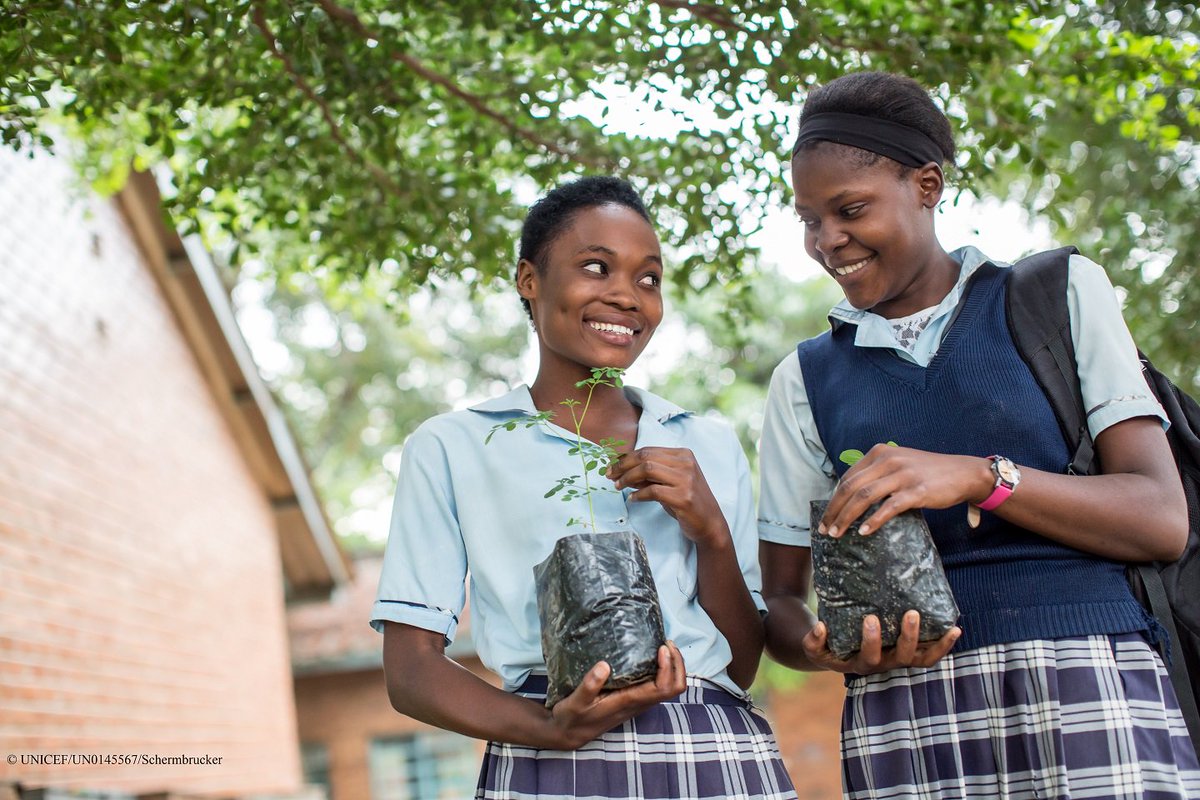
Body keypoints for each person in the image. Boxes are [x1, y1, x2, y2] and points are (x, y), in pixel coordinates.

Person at [757, 71, 1200, 799]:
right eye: (809, 219)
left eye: (850, 209)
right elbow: (779, 601)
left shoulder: (1057, 295)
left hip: (1085, 682)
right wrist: (831, 649)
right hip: (902, 716)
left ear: (927, 185)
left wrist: (979, 476)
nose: (827, 241)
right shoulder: (804, 379)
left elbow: (1160, 519)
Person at [372, 175, 797, 800]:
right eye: (596, 268)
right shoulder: (451, 448)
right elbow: (409, 672)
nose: (627, 296)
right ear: (529, 281)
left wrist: (710, 532)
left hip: (714, 751)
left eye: (647, 278)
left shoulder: (705, 445)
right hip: (546, 755)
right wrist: (549, 728)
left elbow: (740, 666)